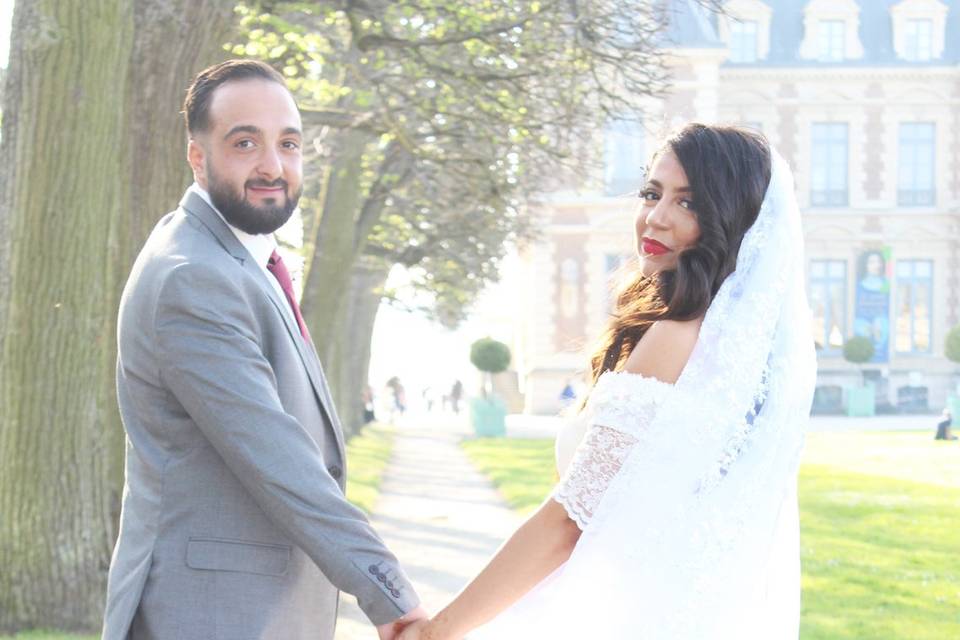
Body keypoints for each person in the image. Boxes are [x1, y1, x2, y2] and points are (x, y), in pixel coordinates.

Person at [399, 124, 816, 639]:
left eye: (688, 203)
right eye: (652, 193)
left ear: (731, 219)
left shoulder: (677, 338)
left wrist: (438, 630)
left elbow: (569, 521)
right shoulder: (749, 364)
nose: (656, 216)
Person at [102, 60, 426, 640]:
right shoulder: (192, 276)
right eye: (245, 143)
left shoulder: (238, 257)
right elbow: (279, 460)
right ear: (197, 157)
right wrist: (391, 594)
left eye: (289, 144)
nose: (273, 166)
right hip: (206, 615)